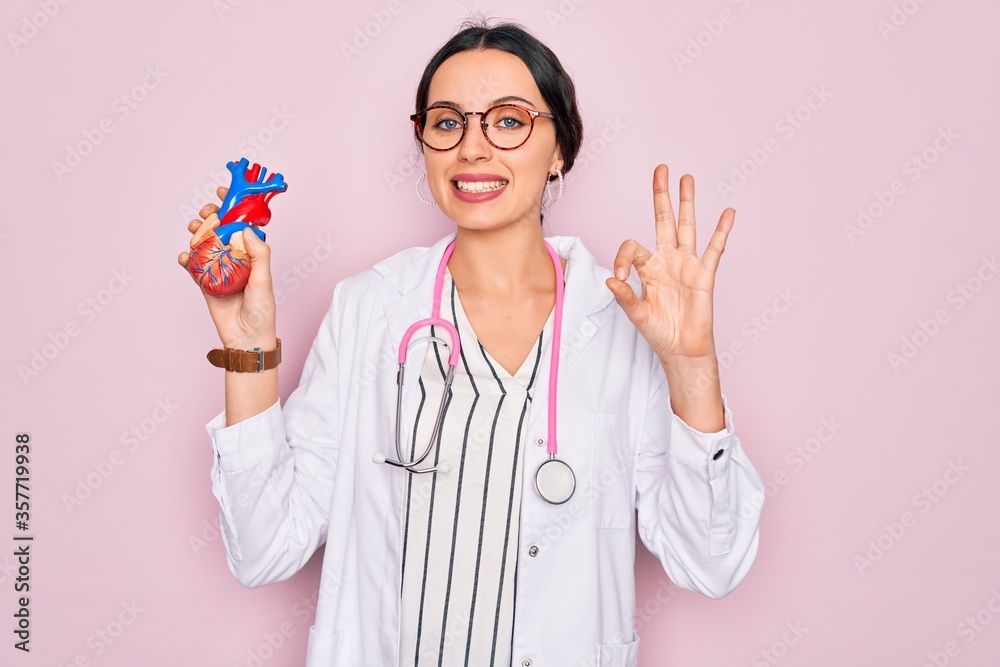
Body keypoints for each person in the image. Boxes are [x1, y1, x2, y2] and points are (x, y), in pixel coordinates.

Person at [178, 19, 765, 667]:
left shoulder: (626, 317)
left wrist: (692, 367)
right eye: (447, 122)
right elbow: (264, 550)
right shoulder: (368, 308)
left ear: (561, 149)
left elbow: (710, 562)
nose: (473, 148)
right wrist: (250, 350)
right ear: (424, 143)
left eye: (509, 121)